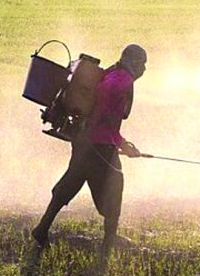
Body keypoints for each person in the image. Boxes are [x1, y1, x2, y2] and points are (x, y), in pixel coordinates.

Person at [31, 44, 146, 251]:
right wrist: (122, 144)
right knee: (114, 187)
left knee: (71, 183)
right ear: (135, 63)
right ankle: (109, 242)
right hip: (100, 146)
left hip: (84, 140)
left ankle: (41, 228)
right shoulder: (122, 81)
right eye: (143, 64)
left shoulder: (113, 72)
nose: (144, 69)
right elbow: (106, 118)